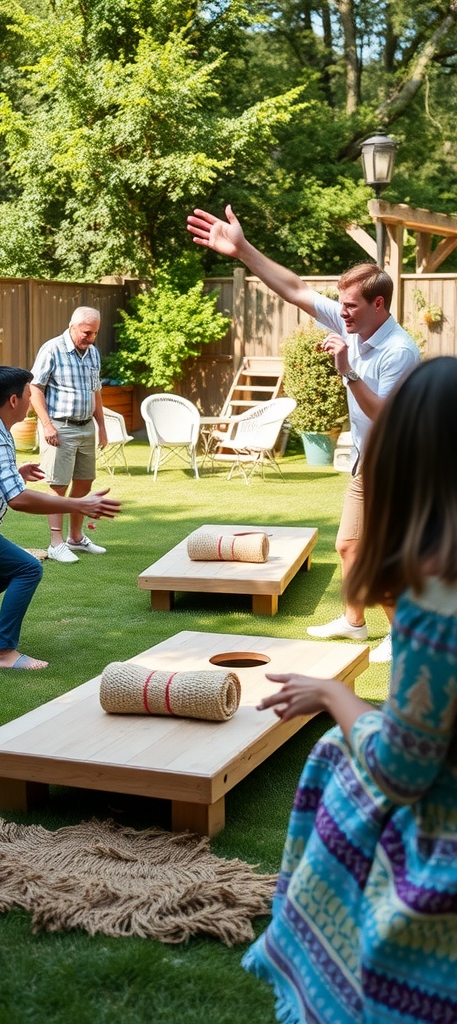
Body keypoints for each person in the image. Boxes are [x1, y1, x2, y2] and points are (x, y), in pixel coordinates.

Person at [241, 356, 457, 1023]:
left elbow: (400, 772)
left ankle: (338, 976)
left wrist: (337, 698)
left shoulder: (438, 593)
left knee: (335, 760)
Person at [187, 205, 420, 662]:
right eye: (341, 304)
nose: (342, 314)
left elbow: (389, 417)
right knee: (350, 545)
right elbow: (295, 289)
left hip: (399, 466)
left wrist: (348, 372)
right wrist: (242, 250)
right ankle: (355, 623)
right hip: (366, 462)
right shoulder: (355, 321)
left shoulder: (399, 351)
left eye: (350, 306)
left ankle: (404, 636)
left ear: (379, 305)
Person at [0, 367, 120, 669]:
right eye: (29, 396)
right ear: (13, 400)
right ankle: (3, 653)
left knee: (8, 570)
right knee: (27, 569)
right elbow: (18, 500)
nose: (32, 402)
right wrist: (78, 504)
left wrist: (15, 473)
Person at [29, 306, 108, 564]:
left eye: (95, 333)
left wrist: (102, 427)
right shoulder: (52, 349)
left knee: (84, 482)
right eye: (87, 332)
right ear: (72, 326)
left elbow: (96, 392)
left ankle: (76, 537)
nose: (91, 338)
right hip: (60, 427)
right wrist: (47, 425)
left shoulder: (93, 353)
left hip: (86, 427)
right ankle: (56, 543)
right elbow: (35, 388)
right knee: (58, 485)